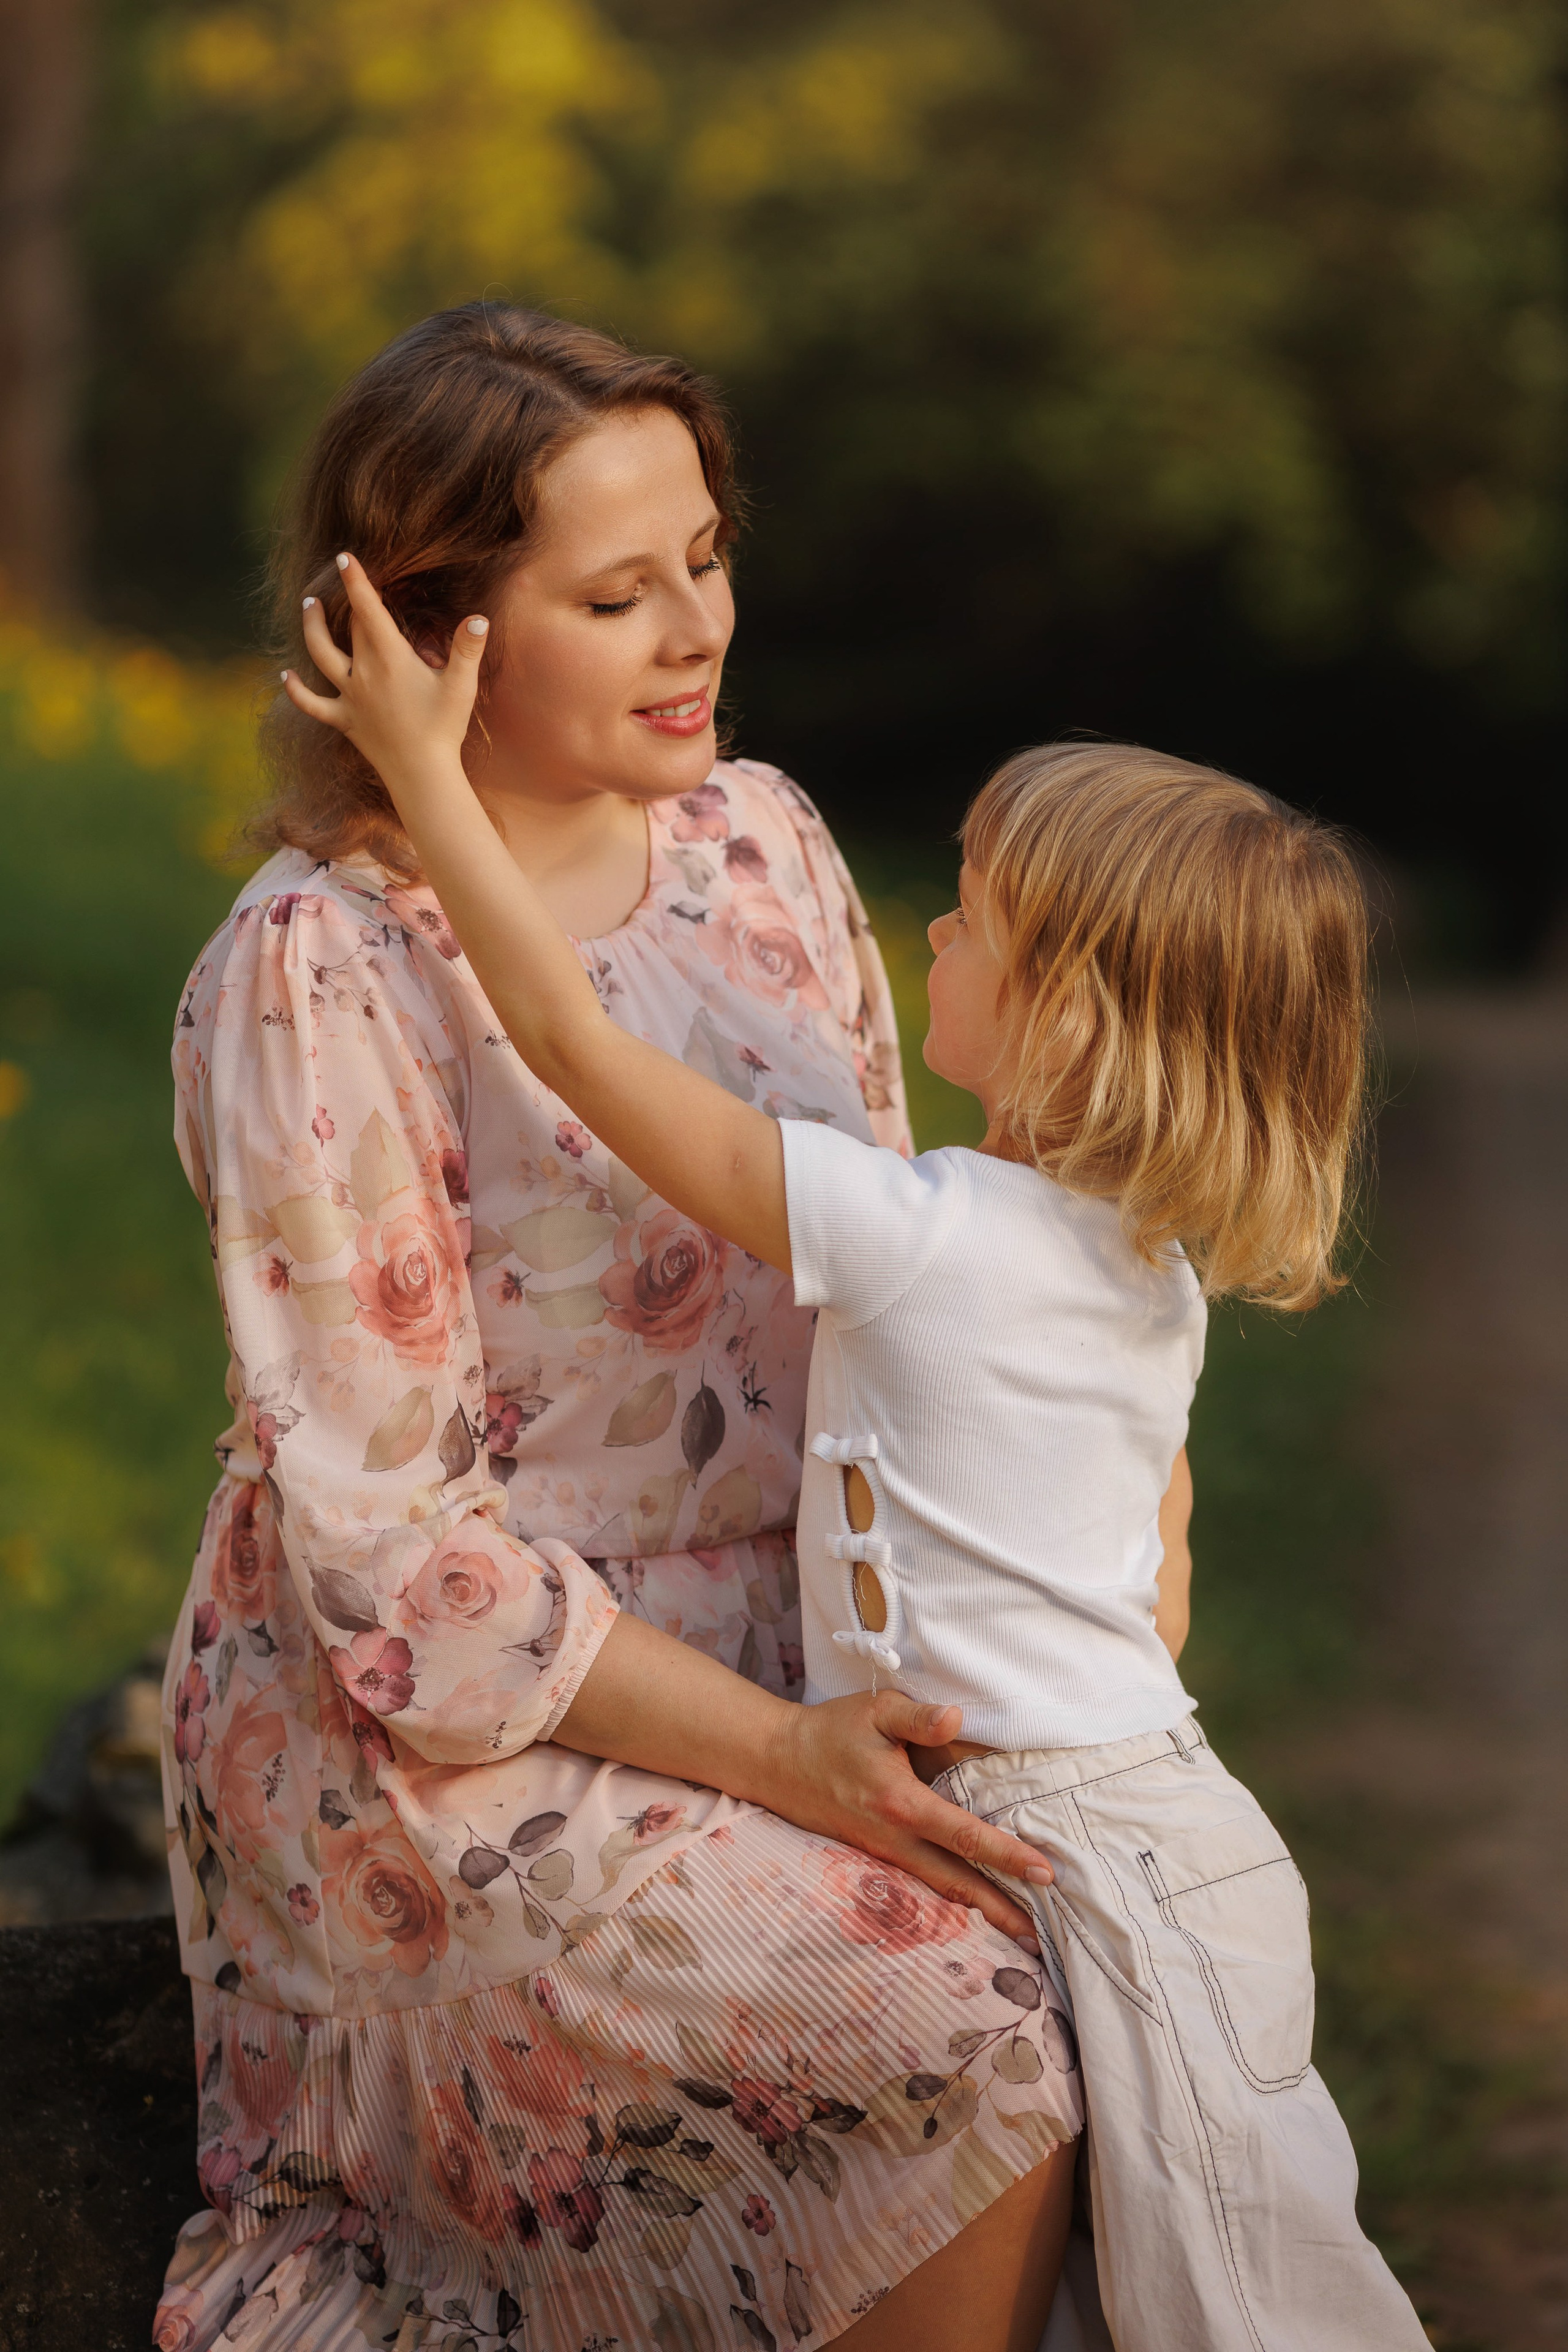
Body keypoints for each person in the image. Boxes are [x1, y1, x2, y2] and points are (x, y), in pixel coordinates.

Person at [287, 556, 1430, 2352]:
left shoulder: (930, 1230)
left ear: (1068, 1018)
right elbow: (1166, 1570)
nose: (931, 947)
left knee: (1243, 2316)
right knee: (1183, 2291)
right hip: (1166, 1819)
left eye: (974, 928)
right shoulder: (1154, 1273)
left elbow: (578, 1047)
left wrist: (429, 781)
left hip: (1073, 1846)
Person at [156, 305, 1109, 2352]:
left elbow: (904, 1275)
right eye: (614, 591)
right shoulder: (318, 966)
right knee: (975, 2016)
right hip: (455, 1739)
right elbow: (392, 1569)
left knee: (1138, 1950)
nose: (696, 628)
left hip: (813, 1646)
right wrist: (786, 1758)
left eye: (706, 554)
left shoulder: (763, 843)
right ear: (428, 635)